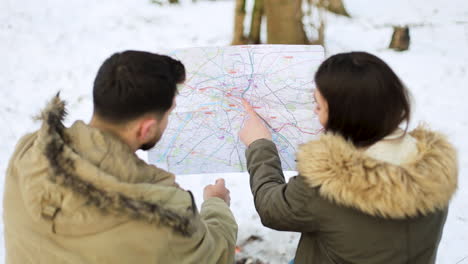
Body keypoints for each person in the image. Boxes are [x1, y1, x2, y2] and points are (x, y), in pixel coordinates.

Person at [3, 50, 237, 264]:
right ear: (146, 129)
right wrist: (217, 204)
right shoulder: (161, 215)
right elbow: (216, 256)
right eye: (169, 113)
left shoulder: (31, 150)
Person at [239, 51, 458, 264]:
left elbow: (272, 209)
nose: (314, 112)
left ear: (345, 116)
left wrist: (260, 144)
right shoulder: (432, 166)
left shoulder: (329, 184)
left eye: (319, 106)